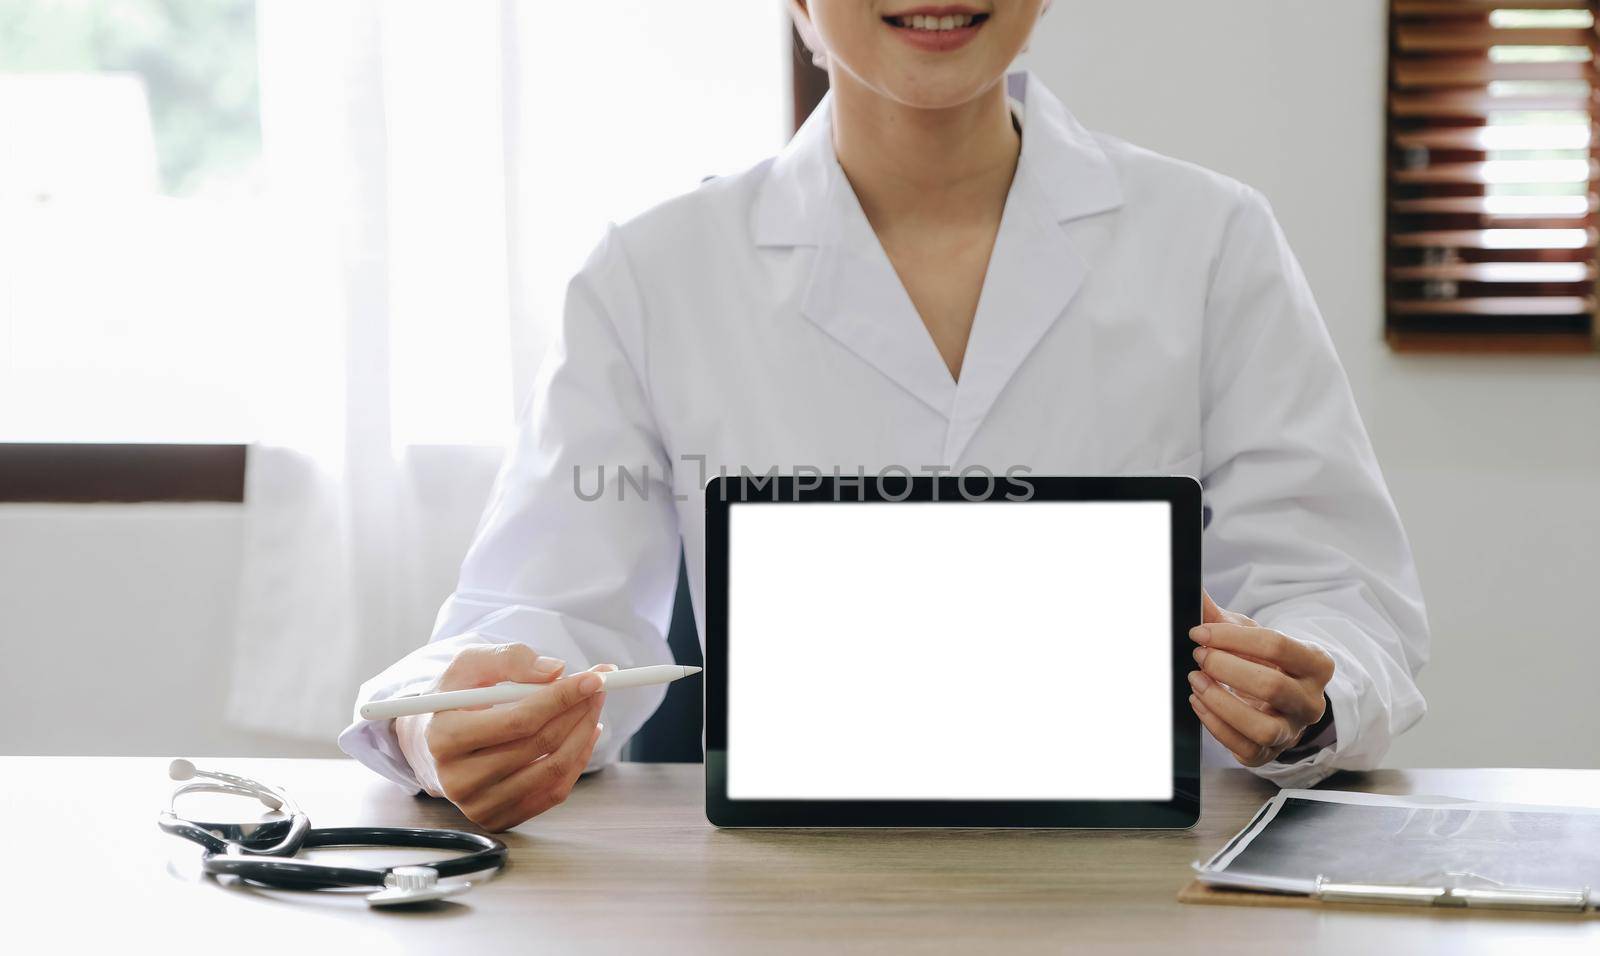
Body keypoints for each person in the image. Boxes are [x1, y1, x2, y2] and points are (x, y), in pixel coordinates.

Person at [339, 0, 1428, 832]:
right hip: (778, 892)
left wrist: (1311, 692)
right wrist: (448, 721)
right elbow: (538, 611)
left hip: (1136, 880)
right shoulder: (653, 269)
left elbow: (1338, 594)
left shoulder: (1211, 241)